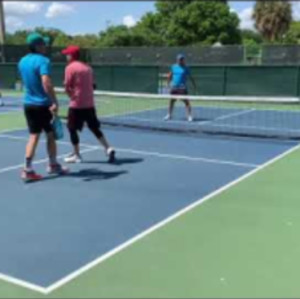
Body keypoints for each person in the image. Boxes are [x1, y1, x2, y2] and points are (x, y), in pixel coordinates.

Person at [18, 32, 69, 182]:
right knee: (51, 135)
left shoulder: (22, 61)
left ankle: (28, 168)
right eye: (43, 44)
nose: (46, 46)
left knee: (34, 136)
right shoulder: (43, 61)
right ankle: (53, 165)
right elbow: (46, 82)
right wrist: (54, 101)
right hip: (43, 105)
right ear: (37, 46)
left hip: (28, 104)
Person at [61, 45, 115, 164]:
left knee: (71, 129)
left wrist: (71, 96)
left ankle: (77, 155)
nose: (66, 56)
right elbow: (93, 85)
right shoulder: (88, 68)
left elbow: (67, 87)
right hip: (89, 104)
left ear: (71, 56)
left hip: (76, 105)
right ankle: (108, 148)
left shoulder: (69, 68)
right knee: (94, 128)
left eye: (67, 54)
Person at [164, 54, 197, 122]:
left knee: (186, 102)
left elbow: (191, 77)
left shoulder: (186, 68)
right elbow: (169, 75)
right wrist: (168, 84)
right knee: (171, 101)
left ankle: (189, 116)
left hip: (182, 88)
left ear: (183, 60)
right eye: (179, 59)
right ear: (177, 60)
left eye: (182, 59)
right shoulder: (173, 67)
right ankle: (169, 115)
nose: (180, 60)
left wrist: (194, 85)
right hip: (174, 87)